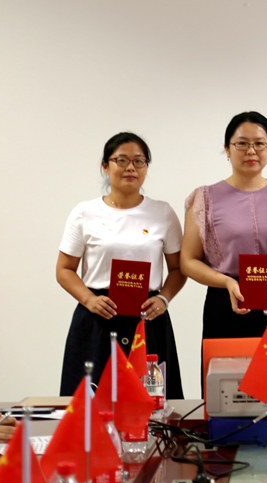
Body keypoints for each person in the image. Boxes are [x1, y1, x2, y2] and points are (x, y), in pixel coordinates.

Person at [181, 111, 267, 389]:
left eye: (260, 143)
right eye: (242, 143)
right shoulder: (205, 197)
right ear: (227, 149)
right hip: (225, 303)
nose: (251, 151)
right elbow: (188, 261)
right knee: (224, 393)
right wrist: (227, 282)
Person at [57, 132, 186, 399]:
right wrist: (89, 300)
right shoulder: (84, 213)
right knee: (92, 403)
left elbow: (178, 269)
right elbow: (64, 269)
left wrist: (163, 298)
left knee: (151, 402)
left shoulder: (163, 213)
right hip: (98, 317)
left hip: (147, 319)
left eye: (139, 161)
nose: (131, 168)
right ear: (105, 166)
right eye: (122, 160)